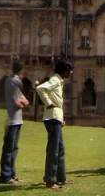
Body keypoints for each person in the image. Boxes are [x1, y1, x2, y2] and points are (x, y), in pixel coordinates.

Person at [36, 60, 73, 190]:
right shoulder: (55, 80)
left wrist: (61, 119)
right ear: (64, 71)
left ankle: (60, 178)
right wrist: (48, 103)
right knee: (54, 150)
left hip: (56, 117)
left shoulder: (59, 81)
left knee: (60, 149)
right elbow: (40, 88)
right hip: (52, 118)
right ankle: (50, 180)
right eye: (69, 70)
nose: (71, 73)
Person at [0, 60, 30, 185]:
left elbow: (25, 100)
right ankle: (5, 176)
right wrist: (22, 102)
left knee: (14, 148)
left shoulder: (14, 82)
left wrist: (22, 102)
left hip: (17, 120)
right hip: (11, 120)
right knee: (8, 148)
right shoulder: (12, 81)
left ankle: (12, 174)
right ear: (21, 70)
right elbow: (19, 103)